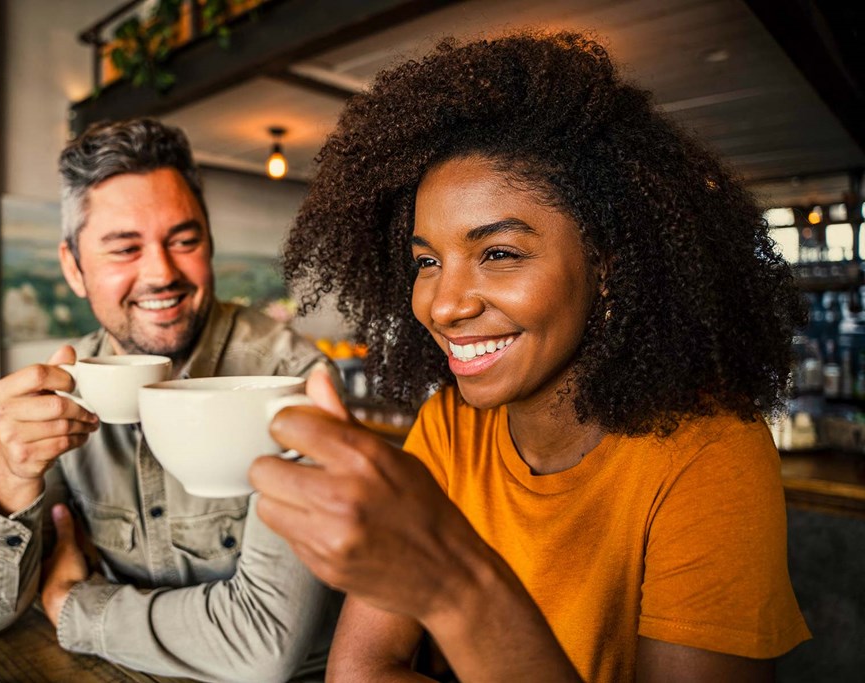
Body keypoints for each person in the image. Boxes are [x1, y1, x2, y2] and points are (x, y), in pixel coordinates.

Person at [248, 31, 812, 681]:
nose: (443, 304)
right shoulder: (451, 425)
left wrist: (456, 589)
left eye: (499, 253)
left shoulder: (709, 452)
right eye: (427, 261)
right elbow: (360, 671)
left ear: (608, 265)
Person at [0, 118, 341, 682]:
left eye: (184, 240)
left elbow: (264, 647)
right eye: (125, 248)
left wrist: (73, 607)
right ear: (73, 268)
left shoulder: (290, 379)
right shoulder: (67, 382)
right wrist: (13, 472)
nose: (161, 273)